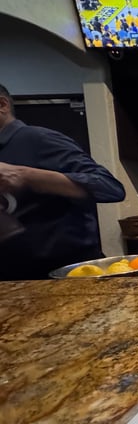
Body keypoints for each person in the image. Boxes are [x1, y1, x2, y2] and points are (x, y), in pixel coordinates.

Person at [0, 84, 126, 280]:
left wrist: (25, 175)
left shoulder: (37, 139)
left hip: (63, 277)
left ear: (2, 105)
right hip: (11, 279)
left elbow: (109, 187)